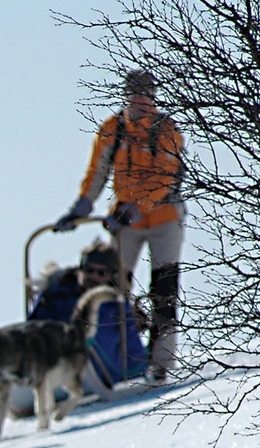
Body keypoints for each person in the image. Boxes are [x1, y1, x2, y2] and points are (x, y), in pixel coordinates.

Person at [54, 68, 185, 384]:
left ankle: (161, 362)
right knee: (112, 288)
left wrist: (136, 209)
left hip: (164, 219)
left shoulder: (166, 131)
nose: (140, 100)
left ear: (153, 96)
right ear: (127, 95)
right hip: (125, 221)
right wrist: (80, 207)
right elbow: (96, 172)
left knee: (163, 289)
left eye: (145, 94)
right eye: (135, 93)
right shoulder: (113, 129)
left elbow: (166, 180)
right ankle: (115, 356)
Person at [30, 242, 149, 387]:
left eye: (101, 273)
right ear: (80, 270)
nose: (93, 276)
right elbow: (32, 327)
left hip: (100, 370)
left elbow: (132, 347)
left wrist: (136, 369)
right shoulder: (54, 295)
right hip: (49, 365)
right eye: (89, 270)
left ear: (111, 276)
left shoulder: (114, 304)